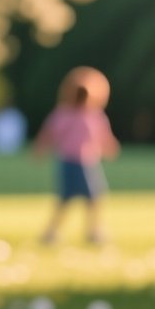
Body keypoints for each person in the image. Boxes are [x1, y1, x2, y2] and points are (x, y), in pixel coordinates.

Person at [33, 68, 120, 246]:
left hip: (87, 162)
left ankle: (92, 231)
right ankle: (54, 232)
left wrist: (110, 148)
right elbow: (49, 133)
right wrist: (41, 148)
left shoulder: (93, 115)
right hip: (70, 161)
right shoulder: (65, 114)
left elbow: (103, 137)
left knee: (93, 198)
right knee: (69, 199)